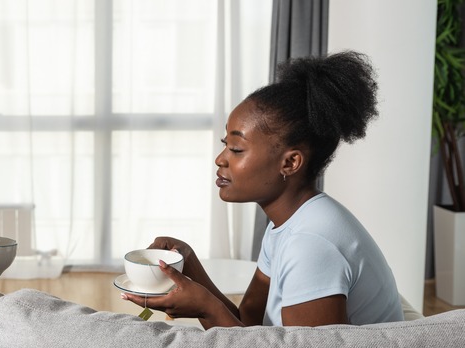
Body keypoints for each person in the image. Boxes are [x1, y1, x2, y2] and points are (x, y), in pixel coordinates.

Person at [122, 51, 403, 328]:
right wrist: (191, 266)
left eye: (236, 149)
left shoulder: (310, 245)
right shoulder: (287, 224)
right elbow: (249, 323)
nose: (220, 159)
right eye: (225, 144)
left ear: (290, 163)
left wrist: (205, 307)